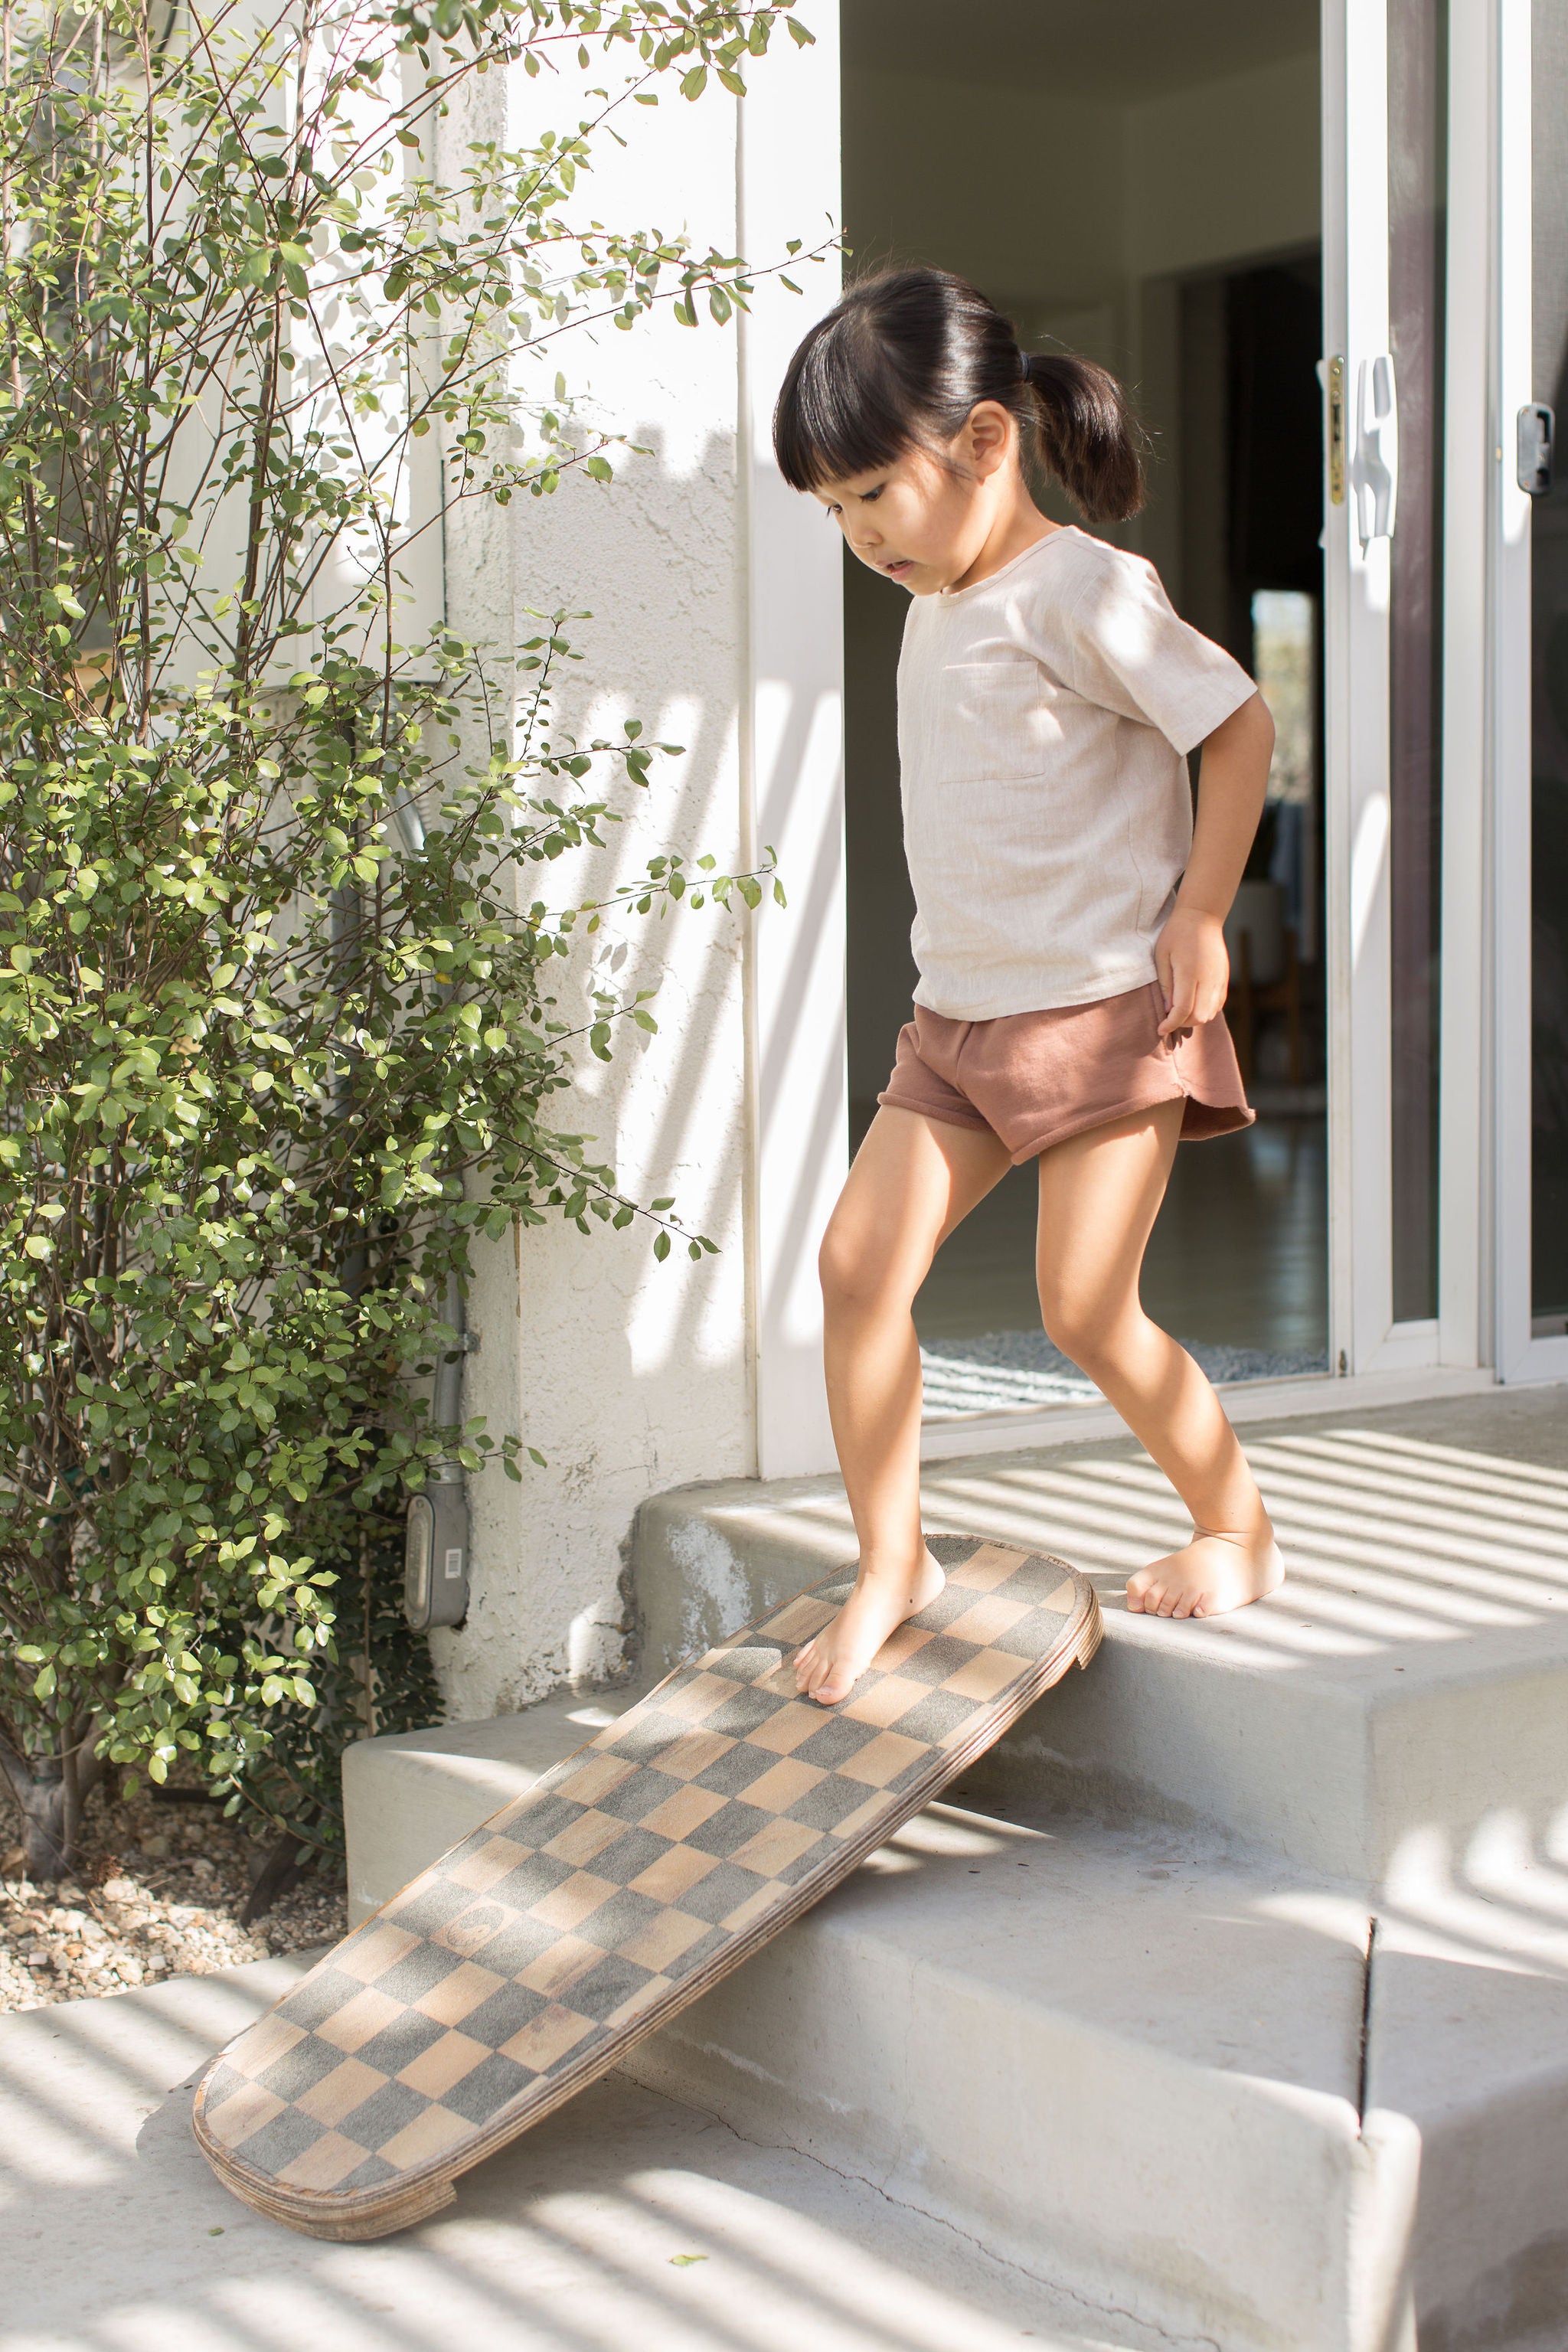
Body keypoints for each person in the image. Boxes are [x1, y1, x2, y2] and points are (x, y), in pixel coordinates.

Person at [772, 266, 1285, 1707]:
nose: (862, 535)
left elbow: (1237, 726)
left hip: (1108, 1014)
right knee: (857, 1270)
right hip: (958, 1022)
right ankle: (895, 1563)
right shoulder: (938, 598)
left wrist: (1201, 914)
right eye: (835, 511)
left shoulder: (1083, 591)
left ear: (986, 443)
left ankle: (1238, 1529)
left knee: (1085, 1309)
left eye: (875, 493)